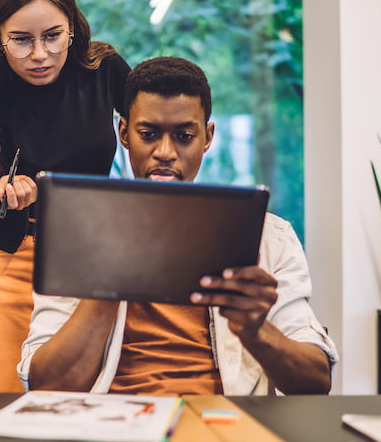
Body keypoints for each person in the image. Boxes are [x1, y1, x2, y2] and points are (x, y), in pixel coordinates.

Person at [19, 56, 338, 395]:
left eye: (184, 136)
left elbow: (316, 382)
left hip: (224, 424)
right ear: (124, 133)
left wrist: (257, 330)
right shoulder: (76, 239)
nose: (165, 152)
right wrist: (108, 282)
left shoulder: (268, 238)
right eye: (149, 134)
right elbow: (46, 386)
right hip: (113, 426)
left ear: (208, 137)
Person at [0, 0, 130, 392]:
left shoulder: (103, 70)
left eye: (52, 36)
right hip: (15, 261)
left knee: (87, 402)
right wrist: (11, 205)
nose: (39, 54)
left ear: (72, 27)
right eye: (21, 40)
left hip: (91, 258)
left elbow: (151, 134)